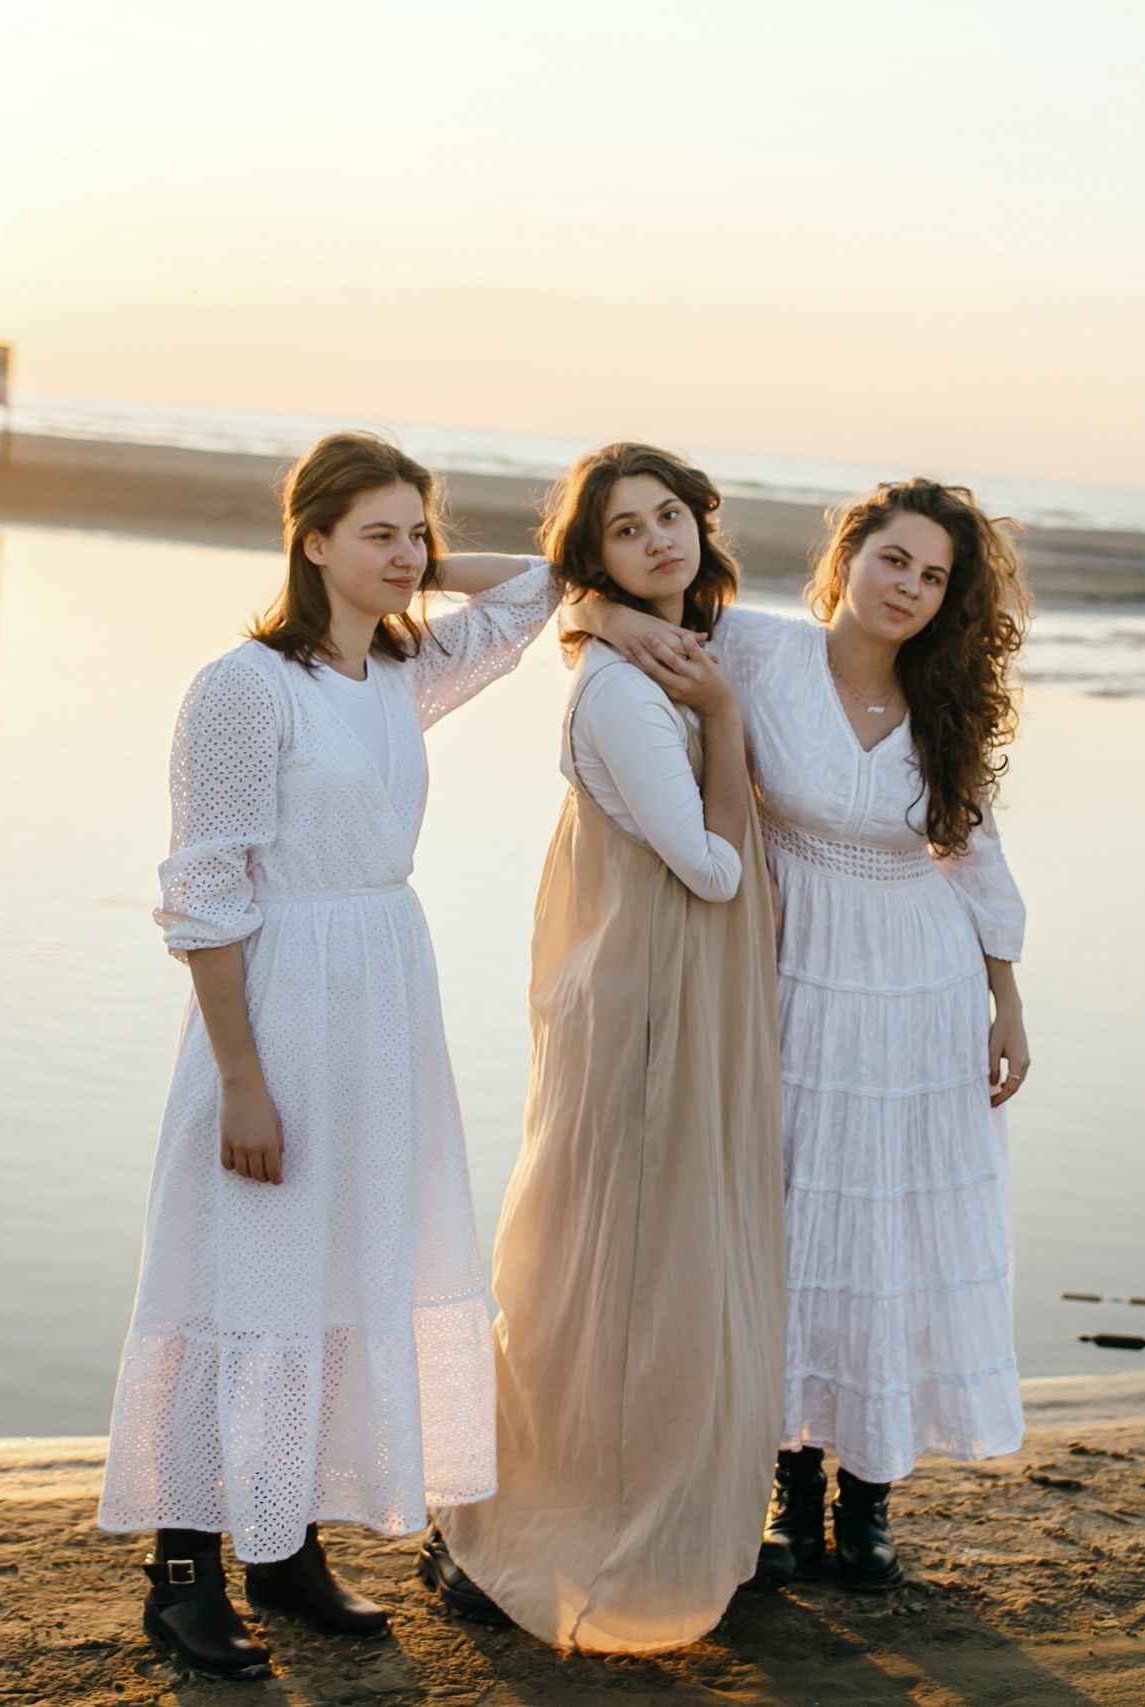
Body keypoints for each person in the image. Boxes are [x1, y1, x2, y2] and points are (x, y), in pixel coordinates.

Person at [96, 431, 563, 1676]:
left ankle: (286, 1548)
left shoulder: (398, 674)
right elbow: (205, 892)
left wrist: (416, 566)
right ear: (308, 540)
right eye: (377, 533)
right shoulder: (245, 687)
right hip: (279, 1002)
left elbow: (534, 590)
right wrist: (241, 1080)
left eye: (418, 532)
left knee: (344, 1263)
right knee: (236, 1273)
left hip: (381, 997)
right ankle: (184, 1573)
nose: (408, 556)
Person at [582, 478, 1033, 1592]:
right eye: (895, 561)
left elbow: (970, 856)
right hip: (784, 973)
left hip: (917, 993)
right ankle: (787, 1493)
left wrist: (1006, 996)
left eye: (933, 579)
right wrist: (574, 605)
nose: (910, 590)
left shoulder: (946, 699)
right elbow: (600, 609)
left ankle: (869, 1501)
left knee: (886, 1238)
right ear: (848, 553)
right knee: (780, 1221)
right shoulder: (756, 649)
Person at [423, 443, 786, 1652]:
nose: (659, 542)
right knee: (604, 1267)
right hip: (644, 999)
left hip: (673, 989)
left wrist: (594, 604)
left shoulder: (686, 643)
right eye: (625, 532)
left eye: (669, 516)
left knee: (644, 1261)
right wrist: (721, 717)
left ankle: (641, 1498)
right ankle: (516, 1515)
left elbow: (537, 576)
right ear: (597, 559)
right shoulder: (635, 690)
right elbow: (713, 865)